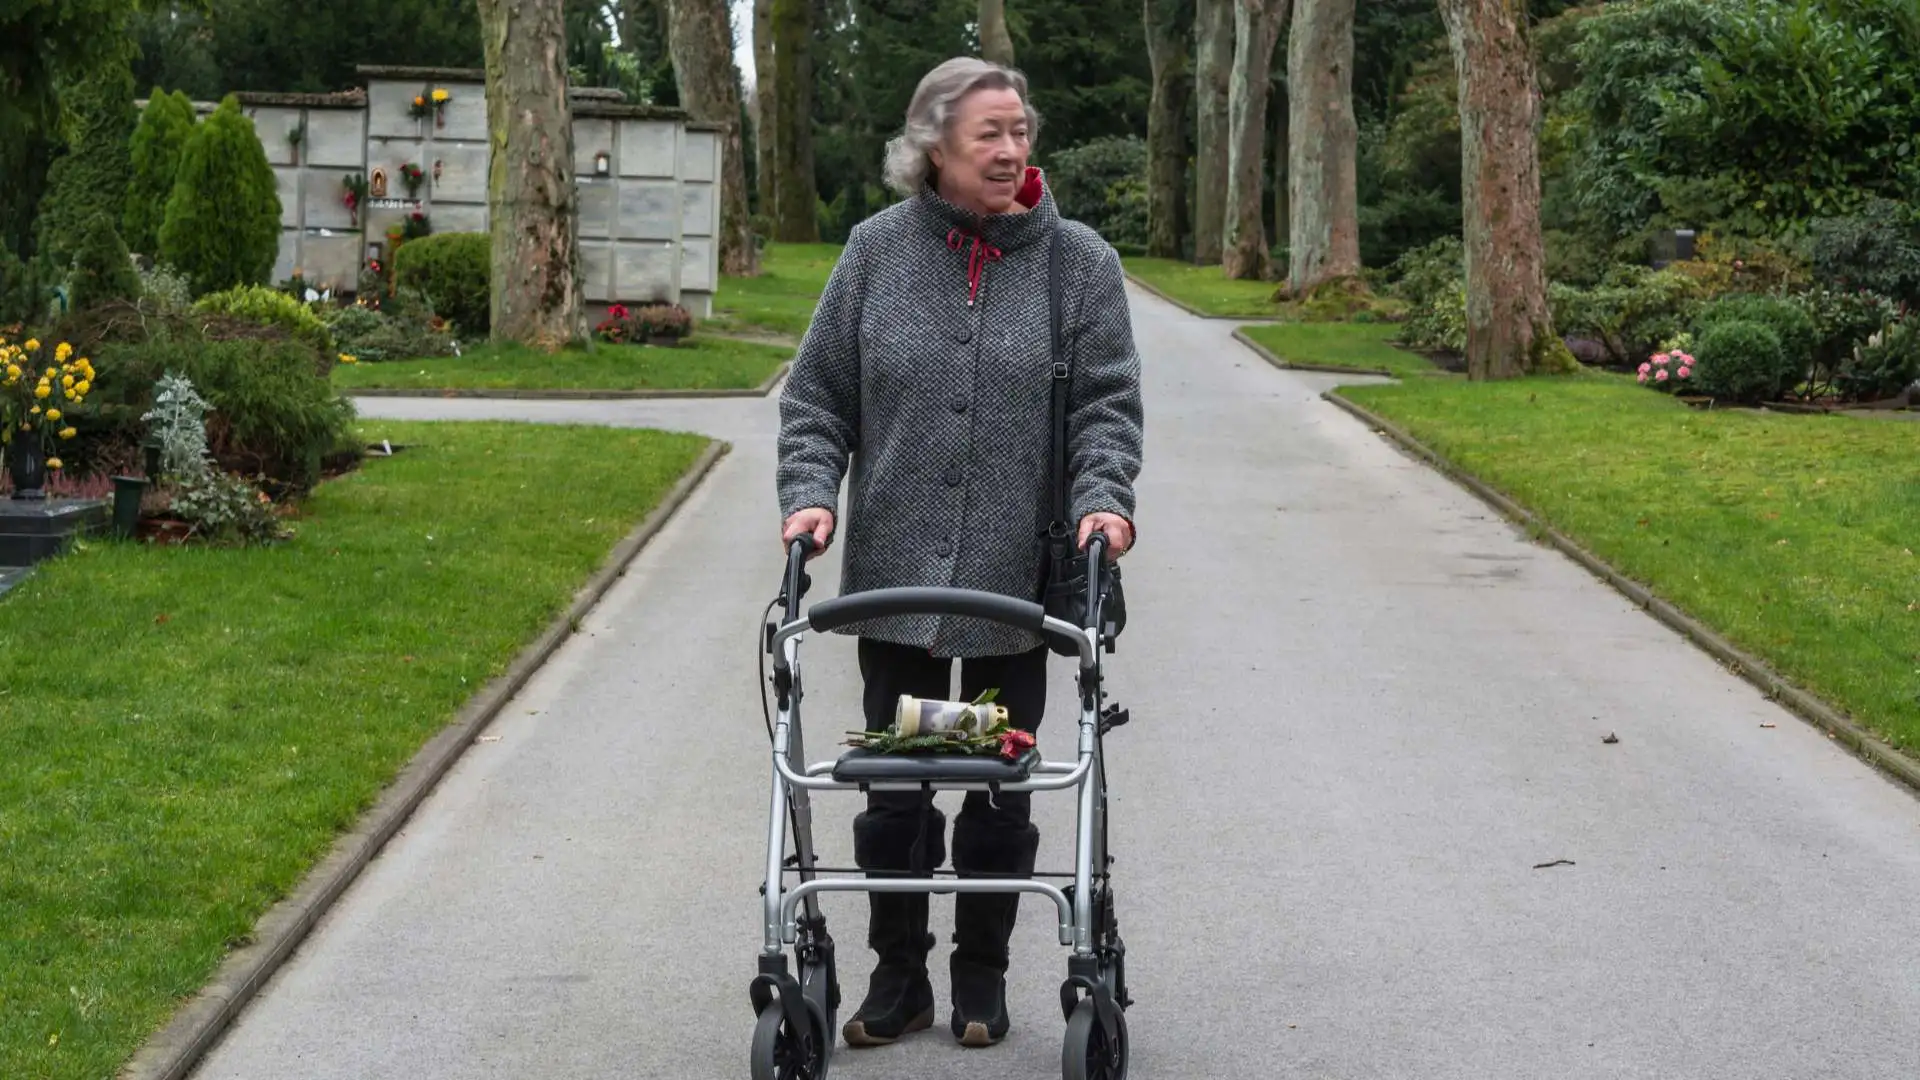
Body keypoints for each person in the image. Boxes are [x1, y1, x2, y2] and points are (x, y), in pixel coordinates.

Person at [774, 56, 1145, 1050]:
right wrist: (810, 498)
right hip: (892, 585)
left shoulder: (1079, 266)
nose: (1012, 148)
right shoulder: (873, 257)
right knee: (896, 790)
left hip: (1012, 586)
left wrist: (1105, 504)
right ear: (933, 145)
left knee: (991, 780)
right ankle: (900, 979)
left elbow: (1108, 409)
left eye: (1021, 129)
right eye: (990, 132)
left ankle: (980, 976)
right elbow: (817, 398)